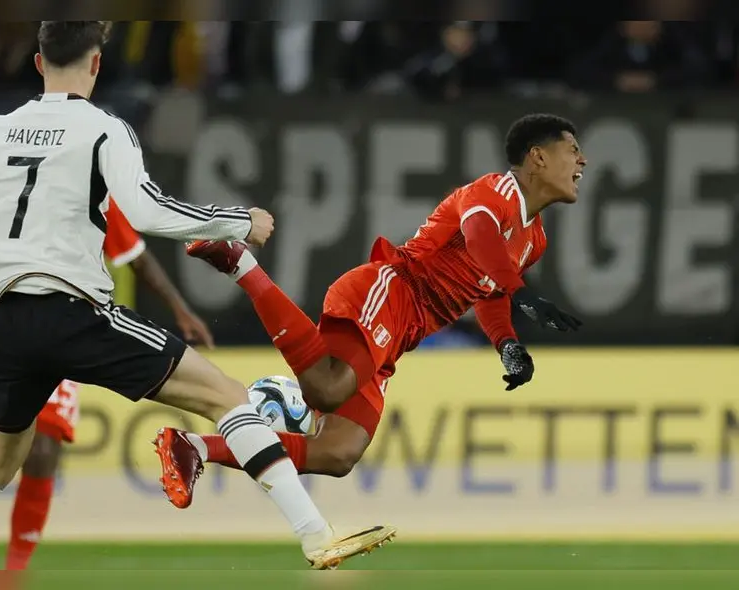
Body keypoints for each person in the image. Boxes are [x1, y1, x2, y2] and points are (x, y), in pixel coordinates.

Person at [0, 21, 394, 571]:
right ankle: (315, 534)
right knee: (226, 396)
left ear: (37, 64)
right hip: (75, 311)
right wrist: (236, 221)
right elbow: (147, 212)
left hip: (5, 323)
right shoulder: (103, 129)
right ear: (96, 64)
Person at [158, 113, 585, 504]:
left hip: (402, 334)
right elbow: (478, 237)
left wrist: (507, 343)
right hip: (392, 291)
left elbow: (489, 293)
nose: (582, 162)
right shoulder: (493, 191)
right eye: (573, 150)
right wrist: (524, 293)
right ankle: (241, 264)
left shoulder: (535, 239)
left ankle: (193, 447)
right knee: (326, 389)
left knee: (338, 453)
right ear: (538, 157)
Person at [0, 186, 214, 570]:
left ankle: (16, 570)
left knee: (43, 452)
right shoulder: (9, 175)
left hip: (68, 328)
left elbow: (137, 258)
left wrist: (180, 311)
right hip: (1, 332)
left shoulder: (91, 189)